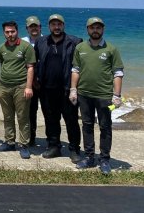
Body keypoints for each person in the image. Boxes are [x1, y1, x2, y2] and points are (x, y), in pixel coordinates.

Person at [70, 17, 124, 175]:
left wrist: (117, 95)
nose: (95, 30)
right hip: (84, 94)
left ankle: (105, 159)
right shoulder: (80, 48)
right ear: (87, 29)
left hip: (104, 95)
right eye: (92, 27)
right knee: (86, 125)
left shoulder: (111, 49)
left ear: (103, 29)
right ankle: (89, 157)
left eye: (98, 28)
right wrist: (73, 89)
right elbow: (75, 70)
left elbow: (118, 73)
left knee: (105, 127)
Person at [34, 14, 83, 162]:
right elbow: (35, 62)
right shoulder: (41, 41)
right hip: (47, 89)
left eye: (59, 24)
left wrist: (76, 87)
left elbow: (80, 66)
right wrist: (36, 80)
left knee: (71, 120)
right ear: (49, 26)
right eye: (53, 24)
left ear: (63, 25)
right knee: (50, 119)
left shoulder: (75, 42)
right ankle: (54, 146)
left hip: (67, 89)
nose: (56, 27)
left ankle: (74, 149)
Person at [0, 20, 36, 159]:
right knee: (7, 116)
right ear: (3, 33)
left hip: (21, 86)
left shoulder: (26, 47)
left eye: (12, 31)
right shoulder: (1, 48)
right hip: (4, 86)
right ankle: (9, 142)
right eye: (7, 32)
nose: (10, 34)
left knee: (23, 117)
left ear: (17, 31)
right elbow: (3, 64)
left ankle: (24, 145)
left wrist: (28, 87)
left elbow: (30, 67)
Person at [23, 16, 42, 146]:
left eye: (36, 26)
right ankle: (31, 137)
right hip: (30, 83)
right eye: (31, 26)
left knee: (50, 112)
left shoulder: (47, 40)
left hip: (45, 83)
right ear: (27, 28)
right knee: (30, 111)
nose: (34, 28)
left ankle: (53, 140)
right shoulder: (23, 42)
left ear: (40, 27)